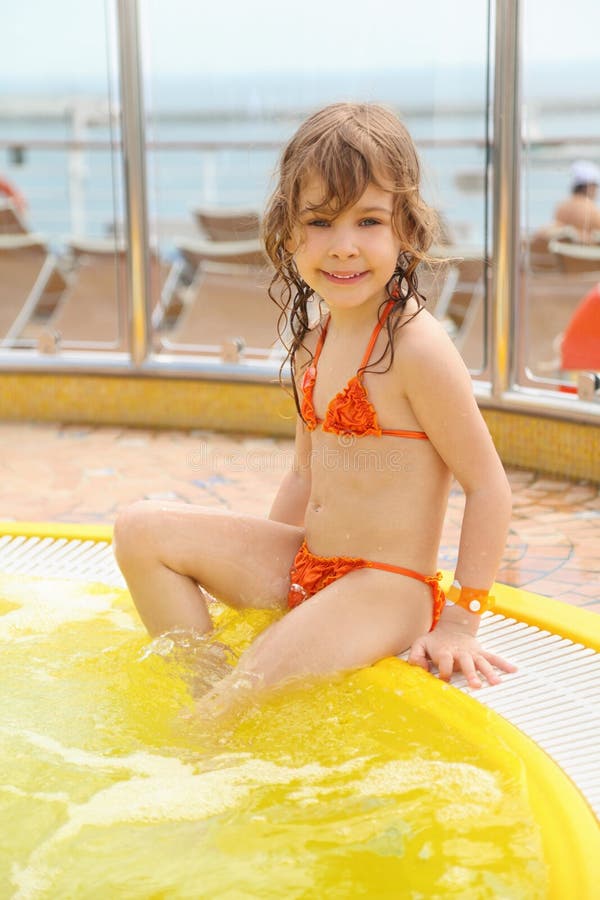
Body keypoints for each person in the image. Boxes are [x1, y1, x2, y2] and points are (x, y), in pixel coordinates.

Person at [114, 103, 515, 712]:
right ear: (287, 228)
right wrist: (272, 592)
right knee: (139, 531)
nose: (344, 246)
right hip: (311, 562)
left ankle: (215, 722)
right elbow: (305, 473)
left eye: (369, 220)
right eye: (321, 222)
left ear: (405, 228)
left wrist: (461, 621)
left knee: (237, 696)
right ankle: (203, 684)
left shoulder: (415, 347)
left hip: (385, 587)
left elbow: (487, 486)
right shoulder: (313, 341)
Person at [553, 160, 600, 241]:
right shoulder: (590, 209)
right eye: (596, 187)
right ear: (589, 187)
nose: (597, 191)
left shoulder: (562, 206)